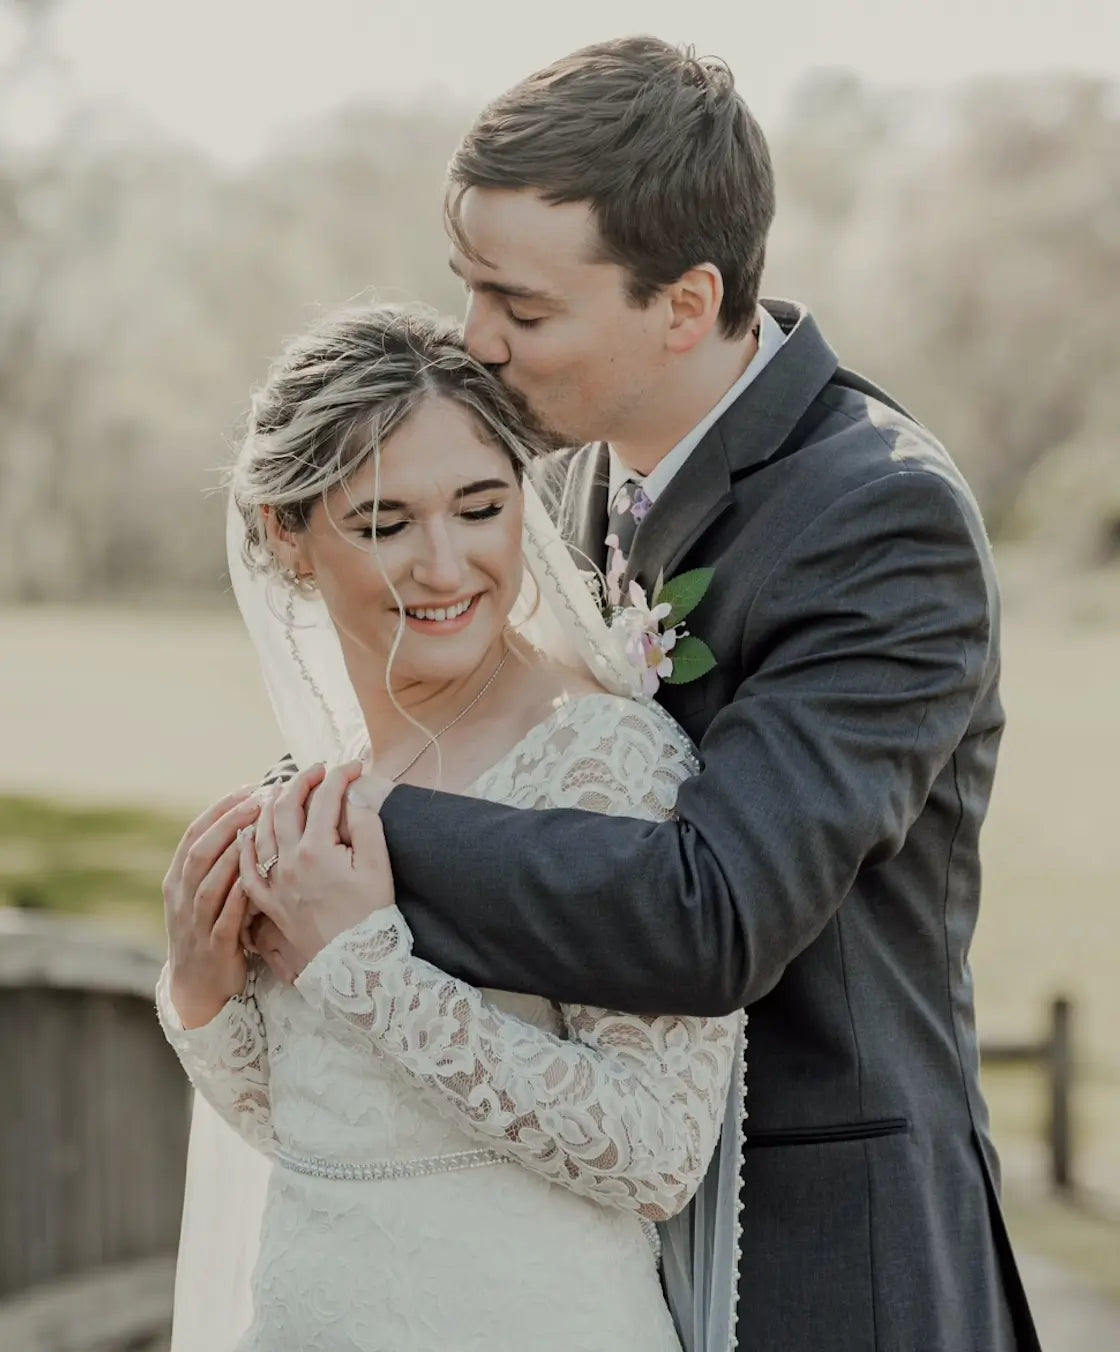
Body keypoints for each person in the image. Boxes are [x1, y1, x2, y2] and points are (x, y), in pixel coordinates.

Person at [245, 36, 1041, 1352]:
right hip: (567, 1251)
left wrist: (348, 826)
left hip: (820, 1257)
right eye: (469, 286)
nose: (475, 341)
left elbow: (713, 912)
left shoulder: (879, 517)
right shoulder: (553, 484)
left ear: (684, 304)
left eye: (522, 307)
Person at [157, 302, 744, 1352]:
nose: (444, 566)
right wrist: (202, 993)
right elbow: (327, 1128)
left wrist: (365, 969)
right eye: (384, 525)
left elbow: (657, 1150)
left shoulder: (601, 759)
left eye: (480, 508)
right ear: (287, 535)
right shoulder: (322, 784)